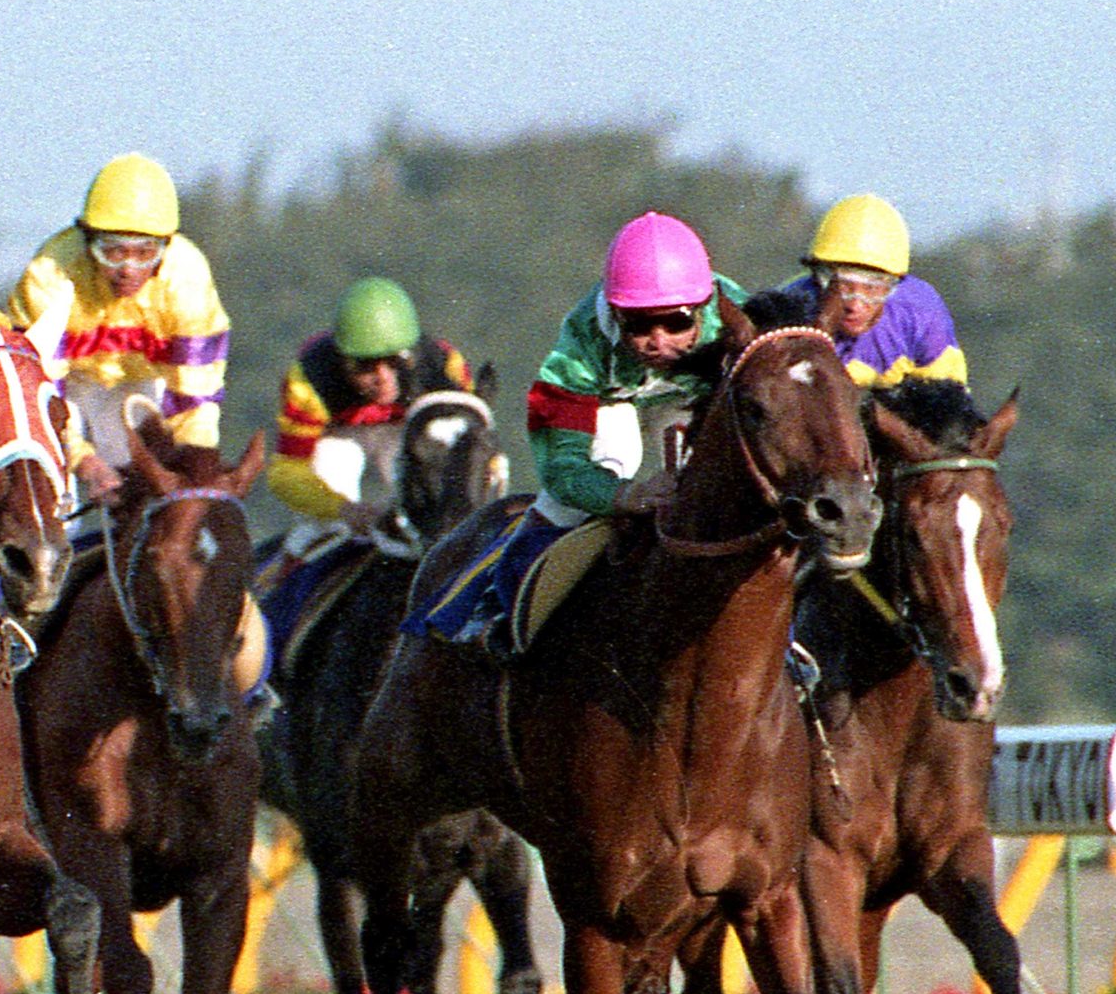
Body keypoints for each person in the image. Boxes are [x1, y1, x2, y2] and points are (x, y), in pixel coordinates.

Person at [411, 212, 746, 653]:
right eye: (639, 325)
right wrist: (623, 497)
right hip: (613, 403)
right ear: (615, 314)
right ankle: (496, 608)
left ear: (704, 307)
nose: (659, 341)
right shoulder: (579, 347)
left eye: (677, 323)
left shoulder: (739, 317)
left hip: (693, 399)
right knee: (592, 483)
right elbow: (562, 467)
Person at [9, 153, 232, 500]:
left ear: (167, 247)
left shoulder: (188, 280)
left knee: (164, 486)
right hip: (69, 387)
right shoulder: (48, 275)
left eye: (145, 253)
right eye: (112, 251)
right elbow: (38, 394)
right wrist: (82, 459)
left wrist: (194, 471)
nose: (128, 270)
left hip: (146, 385)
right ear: (86, 241)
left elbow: (195, 402)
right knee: (52, 493)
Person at [265, 277, 475, 560]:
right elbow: (287, 472)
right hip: (339, 436)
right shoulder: (309, 380)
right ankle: (292, 578)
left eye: (395, 361)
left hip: (406, 431)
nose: (383, 379)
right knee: (327, 520)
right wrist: (343, 509)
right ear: (341, 360)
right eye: (364, 366)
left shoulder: (445, 368)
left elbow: (469, 454)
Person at [775, 193, 967, 388]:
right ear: (817, 278)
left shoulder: (921, 312)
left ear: (896, 284)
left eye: (872, 288)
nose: (854, 304)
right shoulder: (786, 314)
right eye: (841, 287)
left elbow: (951, 409)